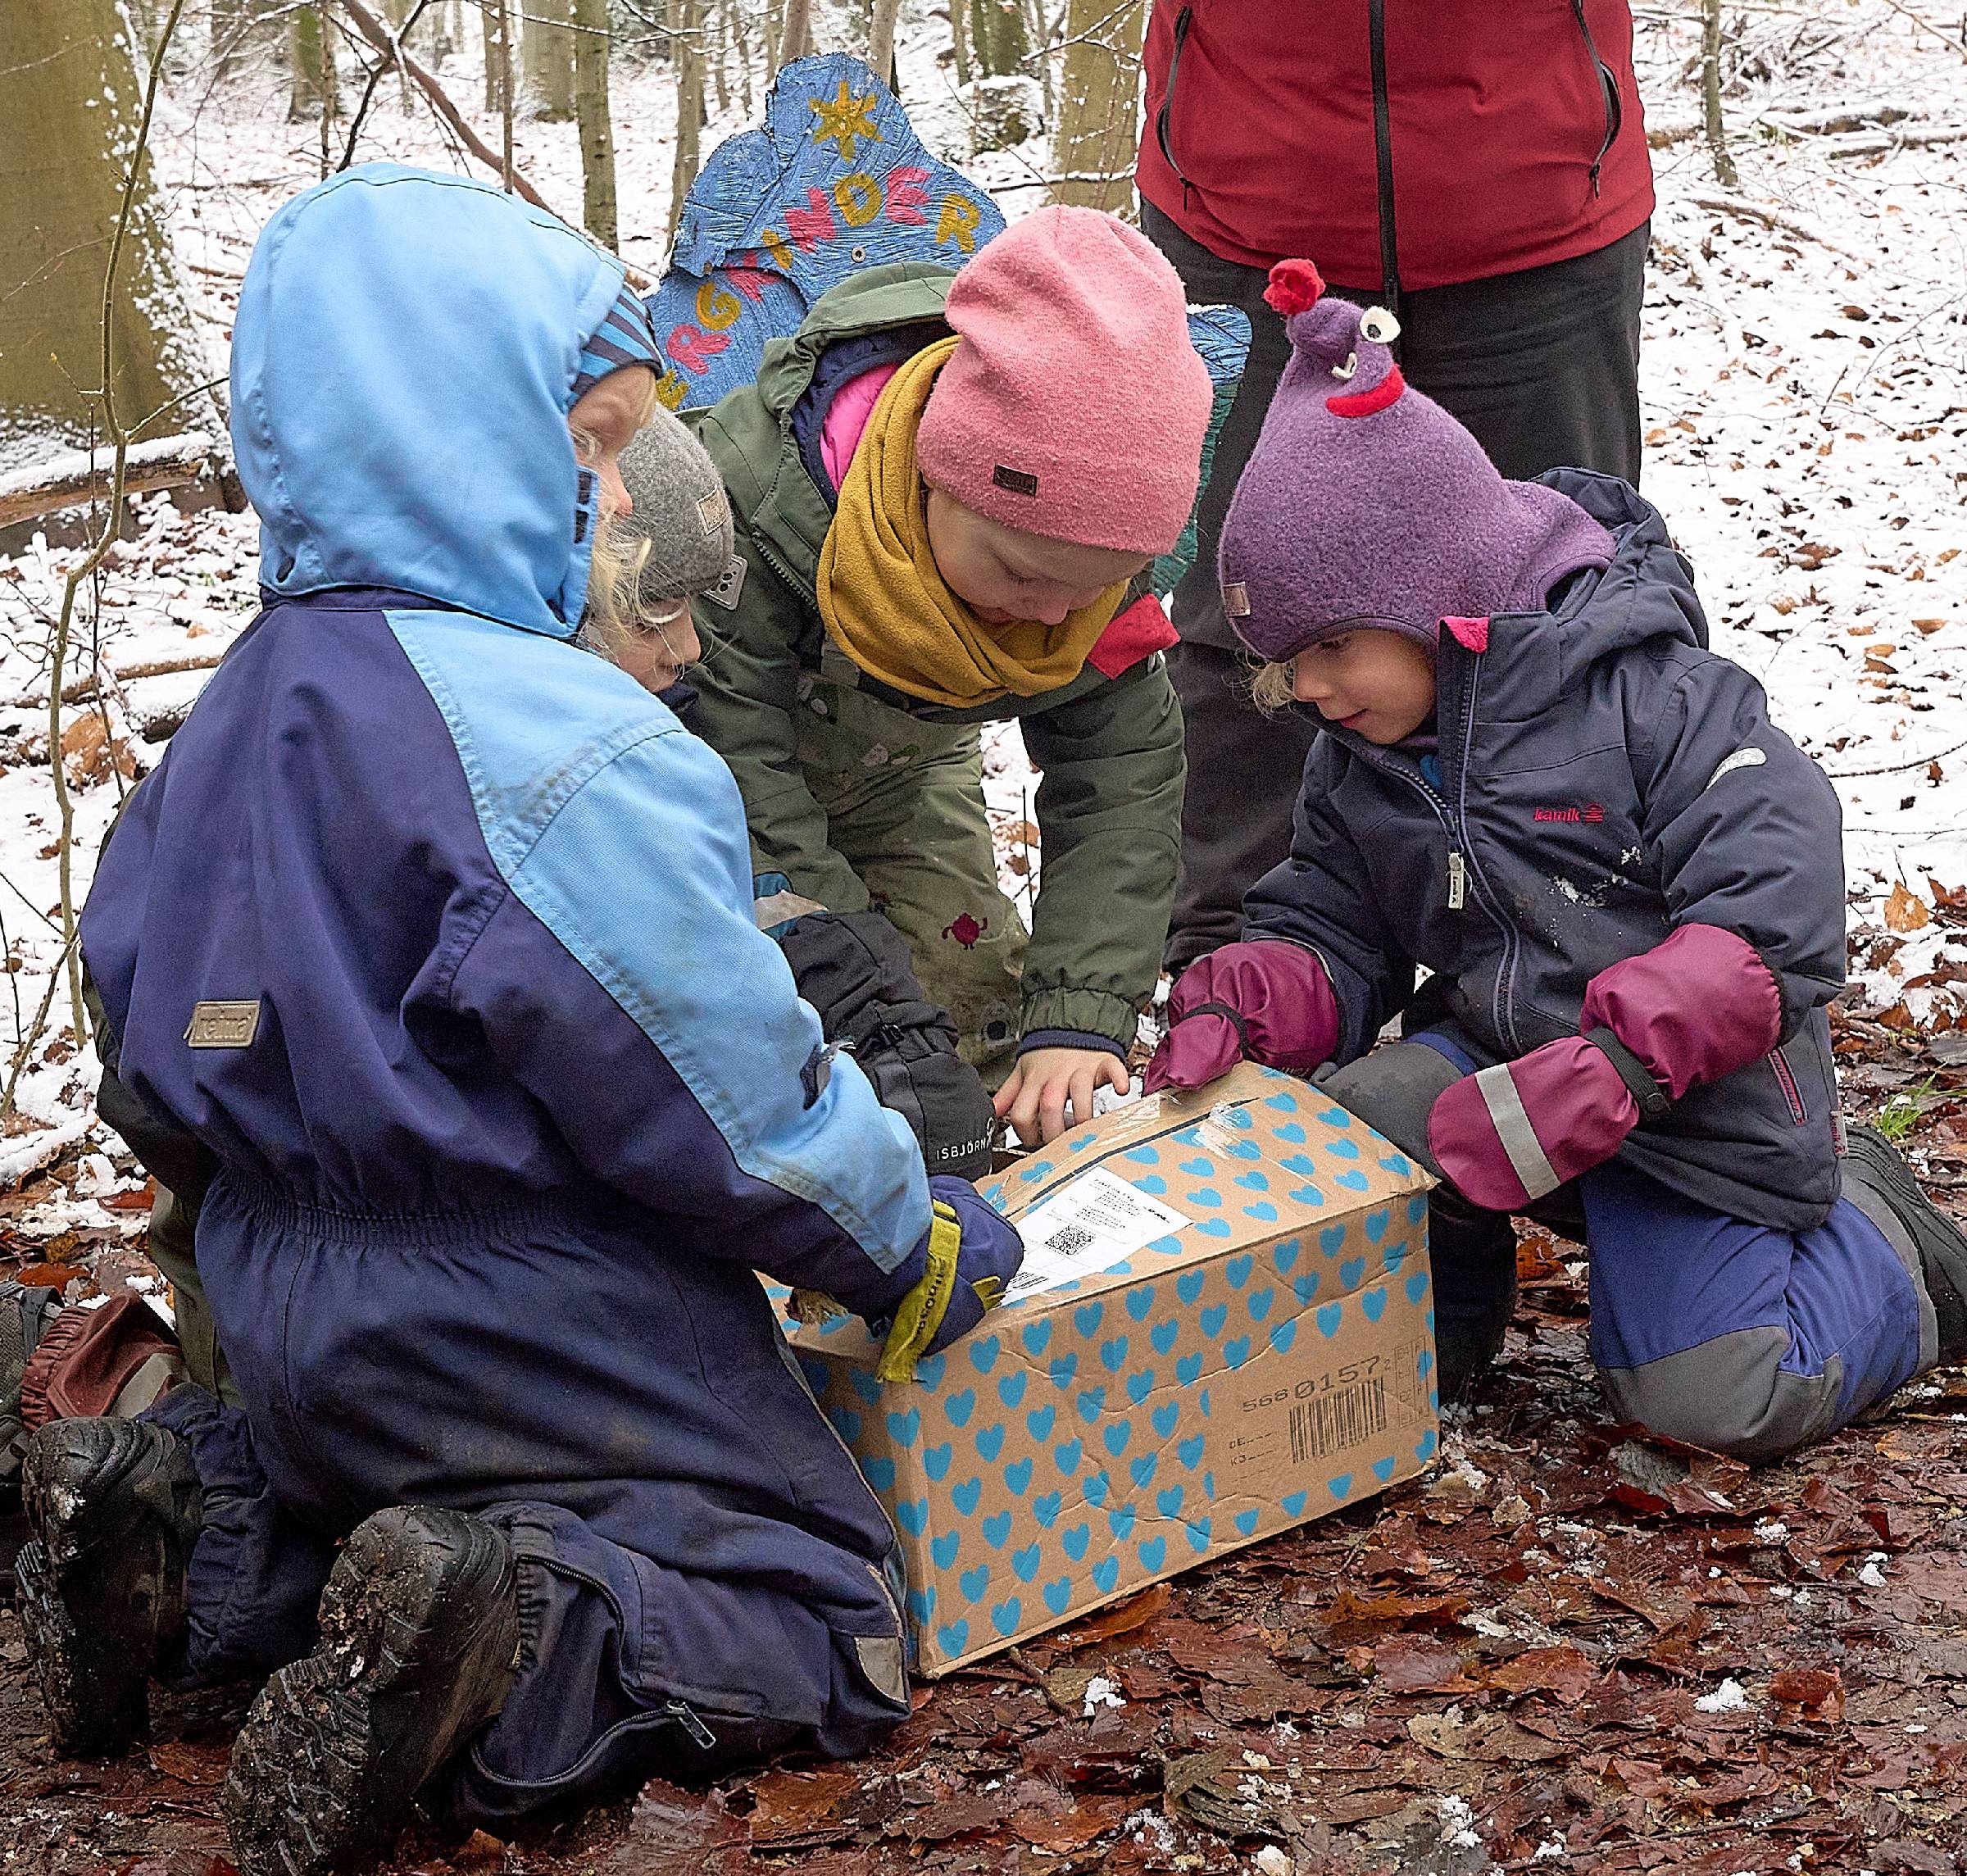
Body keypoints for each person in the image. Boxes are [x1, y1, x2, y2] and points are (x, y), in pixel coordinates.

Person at [19, 163, 1022, 1876]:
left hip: (284, 1294)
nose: (619, 487)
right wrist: (900, 1236)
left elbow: (135, 1023)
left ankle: (195, 1541)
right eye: (600, 437)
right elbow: (718, 1079)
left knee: (371, 1509)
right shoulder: (562, 746)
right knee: (815, 1600)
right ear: (487, 439)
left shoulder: (230, 720)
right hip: (521, 1290)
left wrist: (266, 1197)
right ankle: (523, 1663)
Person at [1146, 265, 1967, 1463]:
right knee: (1359, 1116)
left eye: (1331, 645)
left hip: (1691, 1102)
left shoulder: (1652, 698)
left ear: (1436, 595)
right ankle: (1441, 1327)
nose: (1308, 688)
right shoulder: (1363, 750)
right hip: (1506, 1066)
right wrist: (1261, 987)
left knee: (1707, 1404)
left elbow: (1772, 908)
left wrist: (1624, 1059)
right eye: (1286, 659)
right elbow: (1331, 911)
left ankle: (1892, 1242)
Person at [1134, 1, 1656, 976]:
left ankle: (1574, 967)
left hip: (1534, 208)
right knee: (1241, 627)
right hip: (1246, 210)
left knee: (1563, 612)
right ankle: (1244, 992)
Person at [684, 206, 1214, 1147]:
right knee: (783, 1039)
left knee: (972, 1023)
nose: (1055, 614)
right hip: (710, 796)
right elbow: (737, 774)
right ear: (937, 477)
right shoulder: (747, 502)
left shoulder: (1081, 573)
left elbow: (1122, 774)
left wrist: (1079, 1017)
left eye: (1088, 590)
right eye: (1021, 575)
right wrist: (863, 1002)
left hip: (903, 776)